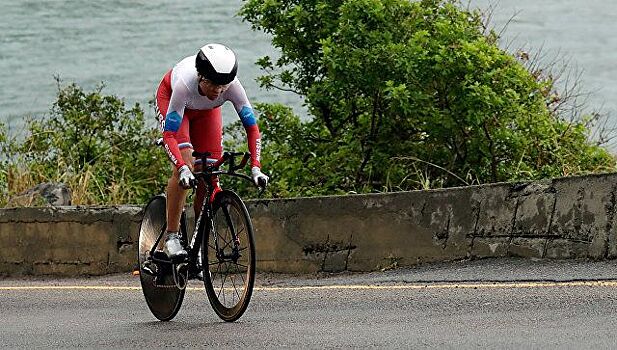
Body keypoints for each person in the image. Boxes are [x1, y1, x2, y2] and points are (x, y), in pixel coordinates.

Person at [155, 43, 268, 261]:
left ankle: (199, 243)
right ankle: (171, 236)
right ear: (201, 77)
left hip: (207, 112)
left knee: (210, 173)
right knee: (186, 165)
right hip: (174, 102)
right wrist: (181, 168)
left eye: (223, 87)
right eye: (213, 85)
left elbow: (252, 129)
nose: (217, 91)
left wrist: (256, 167)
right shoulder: (183, 85)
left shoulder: (232, 87)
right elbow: (170, 134)